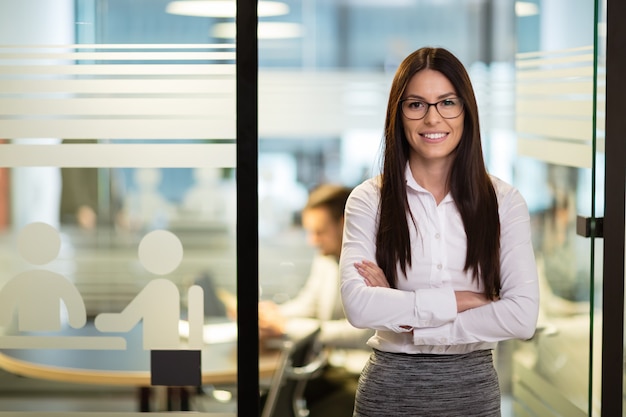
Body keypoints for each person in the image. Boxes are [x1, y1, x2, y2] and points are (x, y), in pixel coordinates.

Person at [339, 47, 540, 417]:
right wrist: (467, 300)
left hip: (472, 393)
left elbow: (521, 316)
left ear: (466, 111)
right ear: (398, 116)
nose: (433, 118)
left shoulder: (504, 202)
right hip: (389, 392)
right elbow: (359, 305)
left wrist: (406, 313)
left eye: (447, 102)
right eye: (416, 105)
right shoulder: (369, 199)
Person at [259, 183, 374, 416]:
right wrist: (274, 314)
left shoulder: (372, 264)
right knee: (265, 403)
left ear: (345, 224)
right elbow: (309, 303)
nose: (312, 241)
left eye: (319, 231)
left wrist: (286, 327)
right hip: (331, 368)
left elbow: (363, 333)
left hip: (360, 374)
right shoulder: (326, 258)